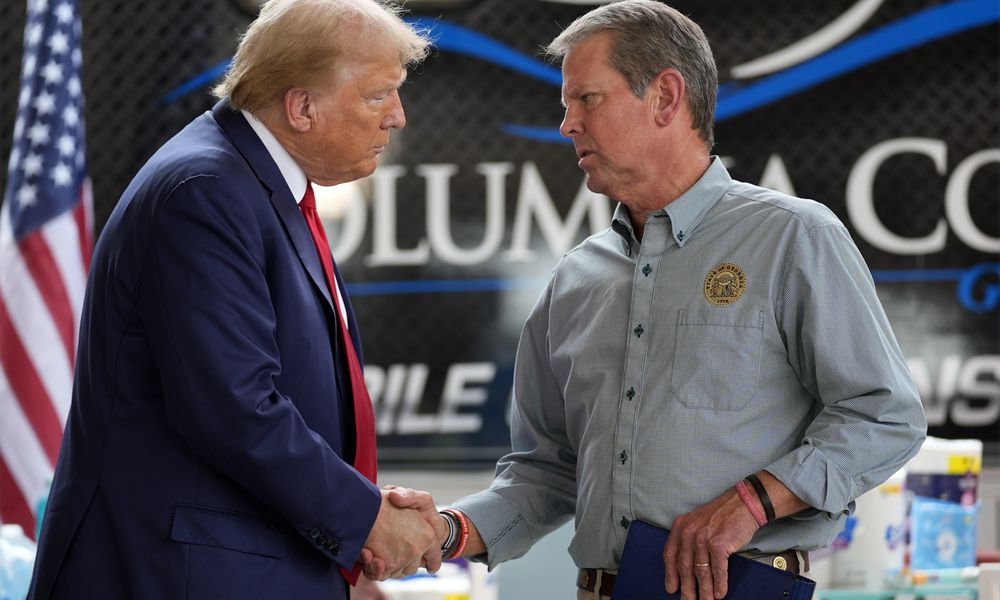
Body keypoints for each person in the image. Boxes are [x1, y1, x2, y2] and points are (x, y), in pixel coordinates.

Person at [365, 2, 928, 599]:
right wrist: (443, 531)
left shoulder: (794, 237)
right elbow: (546, 473)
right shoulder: (574, 280)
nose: (566, 125)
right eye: (565, 106)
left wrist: (752, 502)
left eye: (586, 100)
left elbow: (885, 414)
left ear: (664, 97)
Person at [27, 1, 440, 598]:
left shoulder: (246, 182)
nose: (397, 117)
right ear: (301, 107)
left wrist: (341, 562)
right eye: (379, 95)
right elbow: (232, 407)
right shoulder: (207, 191)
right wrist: (366, 520)